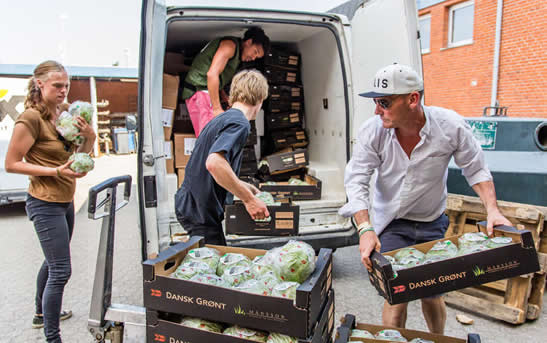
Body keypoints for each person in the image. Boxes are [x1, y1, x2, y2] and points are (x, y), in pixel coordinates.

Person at [339, 63, 511, 334]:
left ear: (412, 99)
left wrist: (493, 210)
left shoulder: (450, 126)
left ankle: (437, 339)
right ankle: (395, 340)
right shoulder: (373, 131)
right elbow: (356, 179)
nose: (377, 110)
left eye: (384, 102)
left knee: (433, 291)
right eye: (375, 102)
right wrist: (365, 229)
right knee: (397, 294)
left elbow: (475, 168)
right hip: (391, 223)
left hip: (431, 221)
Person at [4, 60, 96, 342]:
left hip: (66, 199)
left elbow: (79, 156)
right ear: (39, 84)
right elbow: (11, 164)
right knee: (61, 270)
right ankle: (52, 337)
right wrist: (54, 171)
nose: (63, 90)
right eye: (57, 85)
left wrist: (90, 138)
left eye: (66, 85)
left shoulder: (65, 113)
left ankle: (40, 313)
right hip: (44, 202)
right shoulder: (31, 118)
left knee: (52, 260)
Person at [175, 69, 270, 245]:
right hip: (200, 212)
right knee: (212, 266)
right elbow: (214, 163)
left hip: (192, 205)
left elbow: (214, 167)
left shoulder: (221, 119)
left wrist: (245, 187)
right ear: (260, 99)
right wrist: (249, 200)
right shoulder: (240, 123)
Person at [182, 27, 270, 136]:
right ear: (249, 42)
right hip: (199, 90)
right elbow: (212, 74)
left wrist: (224, 97)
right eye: (255, 52)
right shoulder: (229, 46)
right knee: (210, 137)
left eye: (257, 57)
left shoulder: (236, 53)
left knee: (208, 136)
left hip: (202, 90)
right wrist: (217, 109)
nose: (253, 58)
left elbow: (218, 77)